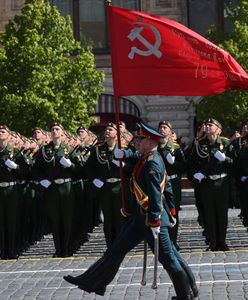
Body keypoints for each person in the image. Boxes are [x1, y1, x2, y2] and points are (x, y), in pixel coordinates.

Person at [64, 122, 198, 300]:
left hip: (151, 220)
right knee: (116, 250)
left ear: (149, 142)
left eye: (140, 139)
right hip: (139, 219)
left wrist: (154, 221)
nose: (135, 142)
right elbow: (135, 156)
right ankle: (92, 282)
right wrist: (123, 154)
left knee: (168, 257)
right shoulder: (146, 157)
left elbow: (155, 195)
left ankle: (186, 294)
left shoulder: (152, 164)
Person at [187, 118, 235, 251]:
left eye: (210, 125)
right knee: (209, 213)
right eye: (206, 125)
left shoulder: (226, 144)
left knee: (222, 213)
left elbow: (235, 164)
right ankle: (213, 242)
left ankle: (222, 242)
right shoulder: (199, 145)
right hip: (206, 183)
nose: (207, 126)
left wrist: (226, 159)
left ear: (218, 129)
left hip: (222, 182)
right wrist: (195, 174)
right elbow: (191, 164)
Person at [158, 121, 186, 250]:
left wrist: (174, 163)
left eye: (165, 128)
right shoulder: (155, 147)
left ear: (170, 131)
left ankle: (173, 241)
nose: (162, 130)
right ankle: (164, 242)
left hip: (172, 182)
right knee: (160, 212)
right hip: (159, 184)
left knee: (173, 212)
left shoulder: (176, 147)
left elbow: (183, 166)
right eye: (160, 128)